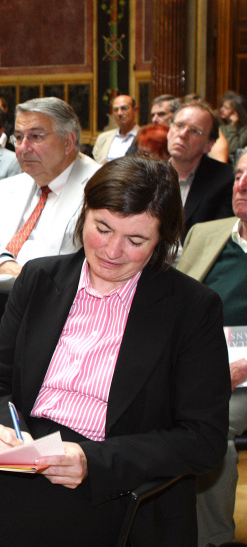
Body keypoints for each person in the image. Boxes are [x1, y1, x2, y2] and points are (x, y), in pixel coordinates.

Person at [0, 156, 231, 546]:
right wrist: (0, 427)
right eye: (103, 228)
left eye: (136, 240)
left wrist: (90, 462)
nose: (112, 250)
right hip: (22, 454)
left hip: (109, 481)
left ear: (162, 240)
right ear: (83, 216)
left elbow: (203, 439)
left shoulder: (192, 308)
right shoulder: (40, 279)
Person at [177, 152, 247, 546]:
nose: (242, 185)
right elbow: (175, 300)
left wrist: (237, 366)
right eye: (238, 175)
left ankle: (212, 539)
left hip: (242, 371)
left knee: (209, 427)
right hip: (196, 357)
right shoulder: (205, 232)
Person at [0, 97, 100, 279]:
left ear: (68, 142)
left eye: (36, 137)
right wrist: (4, 266)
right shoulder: (8, 188)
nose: (23, 148)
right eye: (19, 137)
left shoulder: (100, 189)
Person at [167, 102, 234, 237]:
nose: (183, 134)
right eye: (179, 125)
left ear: (208, 145)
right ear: (169, 130)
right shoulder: (147, 174)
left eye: (195, 131)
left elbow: (218, 239)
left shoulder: (225, 180)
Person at [92, 95, 139, 164]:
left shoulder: (146, 138)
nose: (119, 113)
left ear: (135, 111)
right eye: (116, 110)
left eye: (124, 108)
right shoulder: (103, 138)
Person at [218, 91, 247, 164]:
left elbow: (233, 148)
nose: (222, 109)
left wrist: (233, 125)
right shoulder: (219, 125)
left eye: (226, 108)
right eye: (222, 106)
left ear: (235, 112)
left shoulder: (244, 129)